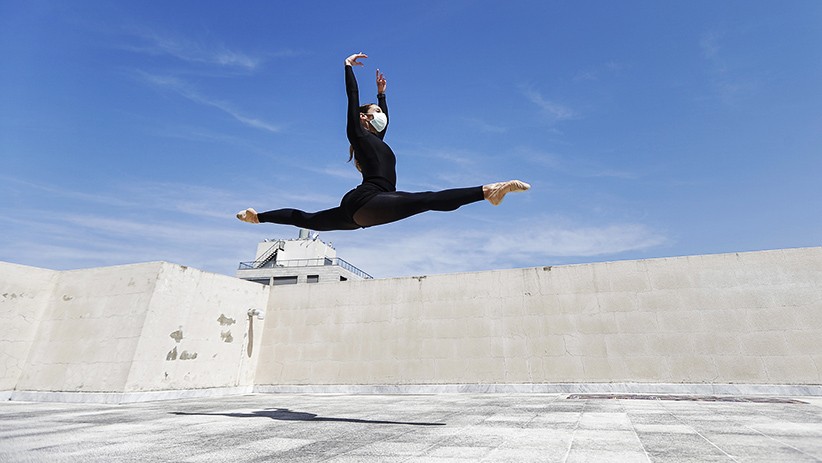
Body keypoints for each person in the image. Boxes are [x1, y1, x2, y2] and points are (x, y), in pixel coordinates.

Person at [236, 52, 529, 231]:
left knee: (309, 219)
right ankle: (488, 191)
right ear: (363, 119)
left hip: (364, 210)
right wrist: (347, 68)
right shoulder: (358, 134)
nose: (380, 116)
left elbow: (385, 121)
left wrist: (382, 96)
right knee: (425, 199)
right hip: (366, 200)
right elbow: (352, 100)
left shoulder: (377, 140)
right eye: (374, 113)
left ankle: (257, 217)